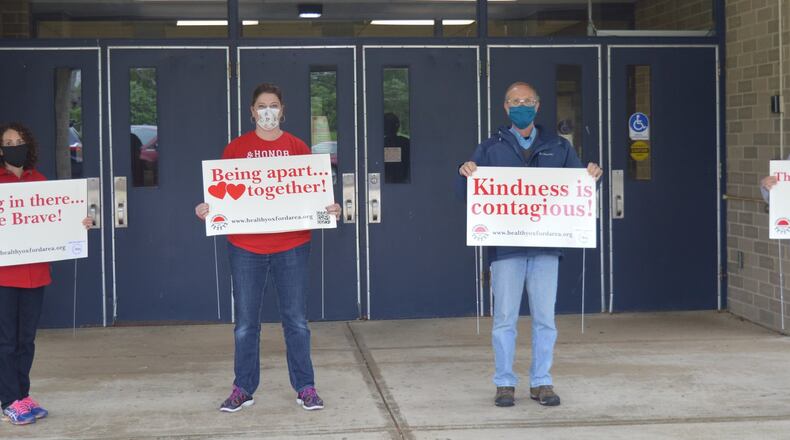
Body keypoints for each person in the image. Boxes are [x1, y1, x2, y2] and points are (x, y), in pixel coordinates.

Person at [195, 83, 340, 413]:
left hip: (292, 245)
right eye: (262, 106)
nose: (268, 112)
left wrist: (330, 208)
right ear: (252, 112)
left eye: (273, 105)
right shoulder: (236, 148)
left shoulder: (298, 147)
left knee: (296, 321)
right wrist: (207, 209)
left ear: (283, 110)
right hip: (246, 248)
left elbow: (316, 192)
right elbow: (220, 195)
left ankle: (305, 386)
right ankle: (243, 388)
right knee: (246, 323)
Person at [456, 82, 603, 408]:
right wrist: (464, 173)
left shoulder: (559, 147)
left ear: (537, 107)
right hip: (506, 249)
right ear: (506, 109)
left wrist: (593, 176)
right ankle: (504, 383)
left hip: (546, 247)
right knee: (505, 318)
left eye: (527, 101)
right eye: (514, 101)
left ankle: (541, 381)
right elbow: (468, 194)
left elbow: (580, 190)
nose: (521, 105)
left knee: (544, 319)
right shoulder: (490, 147)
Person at [0, 122, 92, 425]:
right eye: (8, 142)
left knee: (26, 340)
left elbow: (55, 220)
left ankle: (23, 395)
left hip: (35, 274)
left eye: (19, 140)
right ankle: (9, 400)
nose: (14, 145)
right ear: (1, 149)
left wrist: (79, 225)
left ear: (28, 145)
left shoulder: (39, 181)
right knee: (6, 341)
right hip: (4, 275)